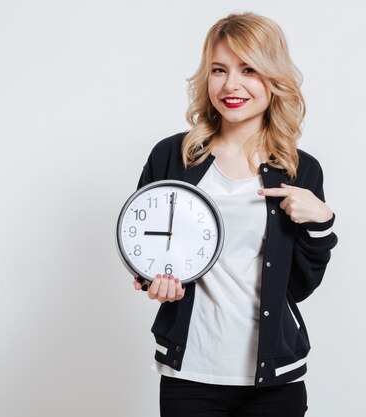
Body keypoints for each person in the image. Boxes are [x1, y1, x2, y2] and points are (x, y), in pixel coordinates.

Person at [132, 12, 337, 417]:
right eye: (219, 70)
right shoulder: (173, 156)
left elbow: (298, 284)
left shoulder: (300, 169)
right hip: (190, 373)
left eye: (248, 70)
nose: (231, 85)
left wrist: (321, 225)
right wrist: (150, 279)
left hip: (274, 379)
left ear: (273, 79)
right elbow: (141, 243)